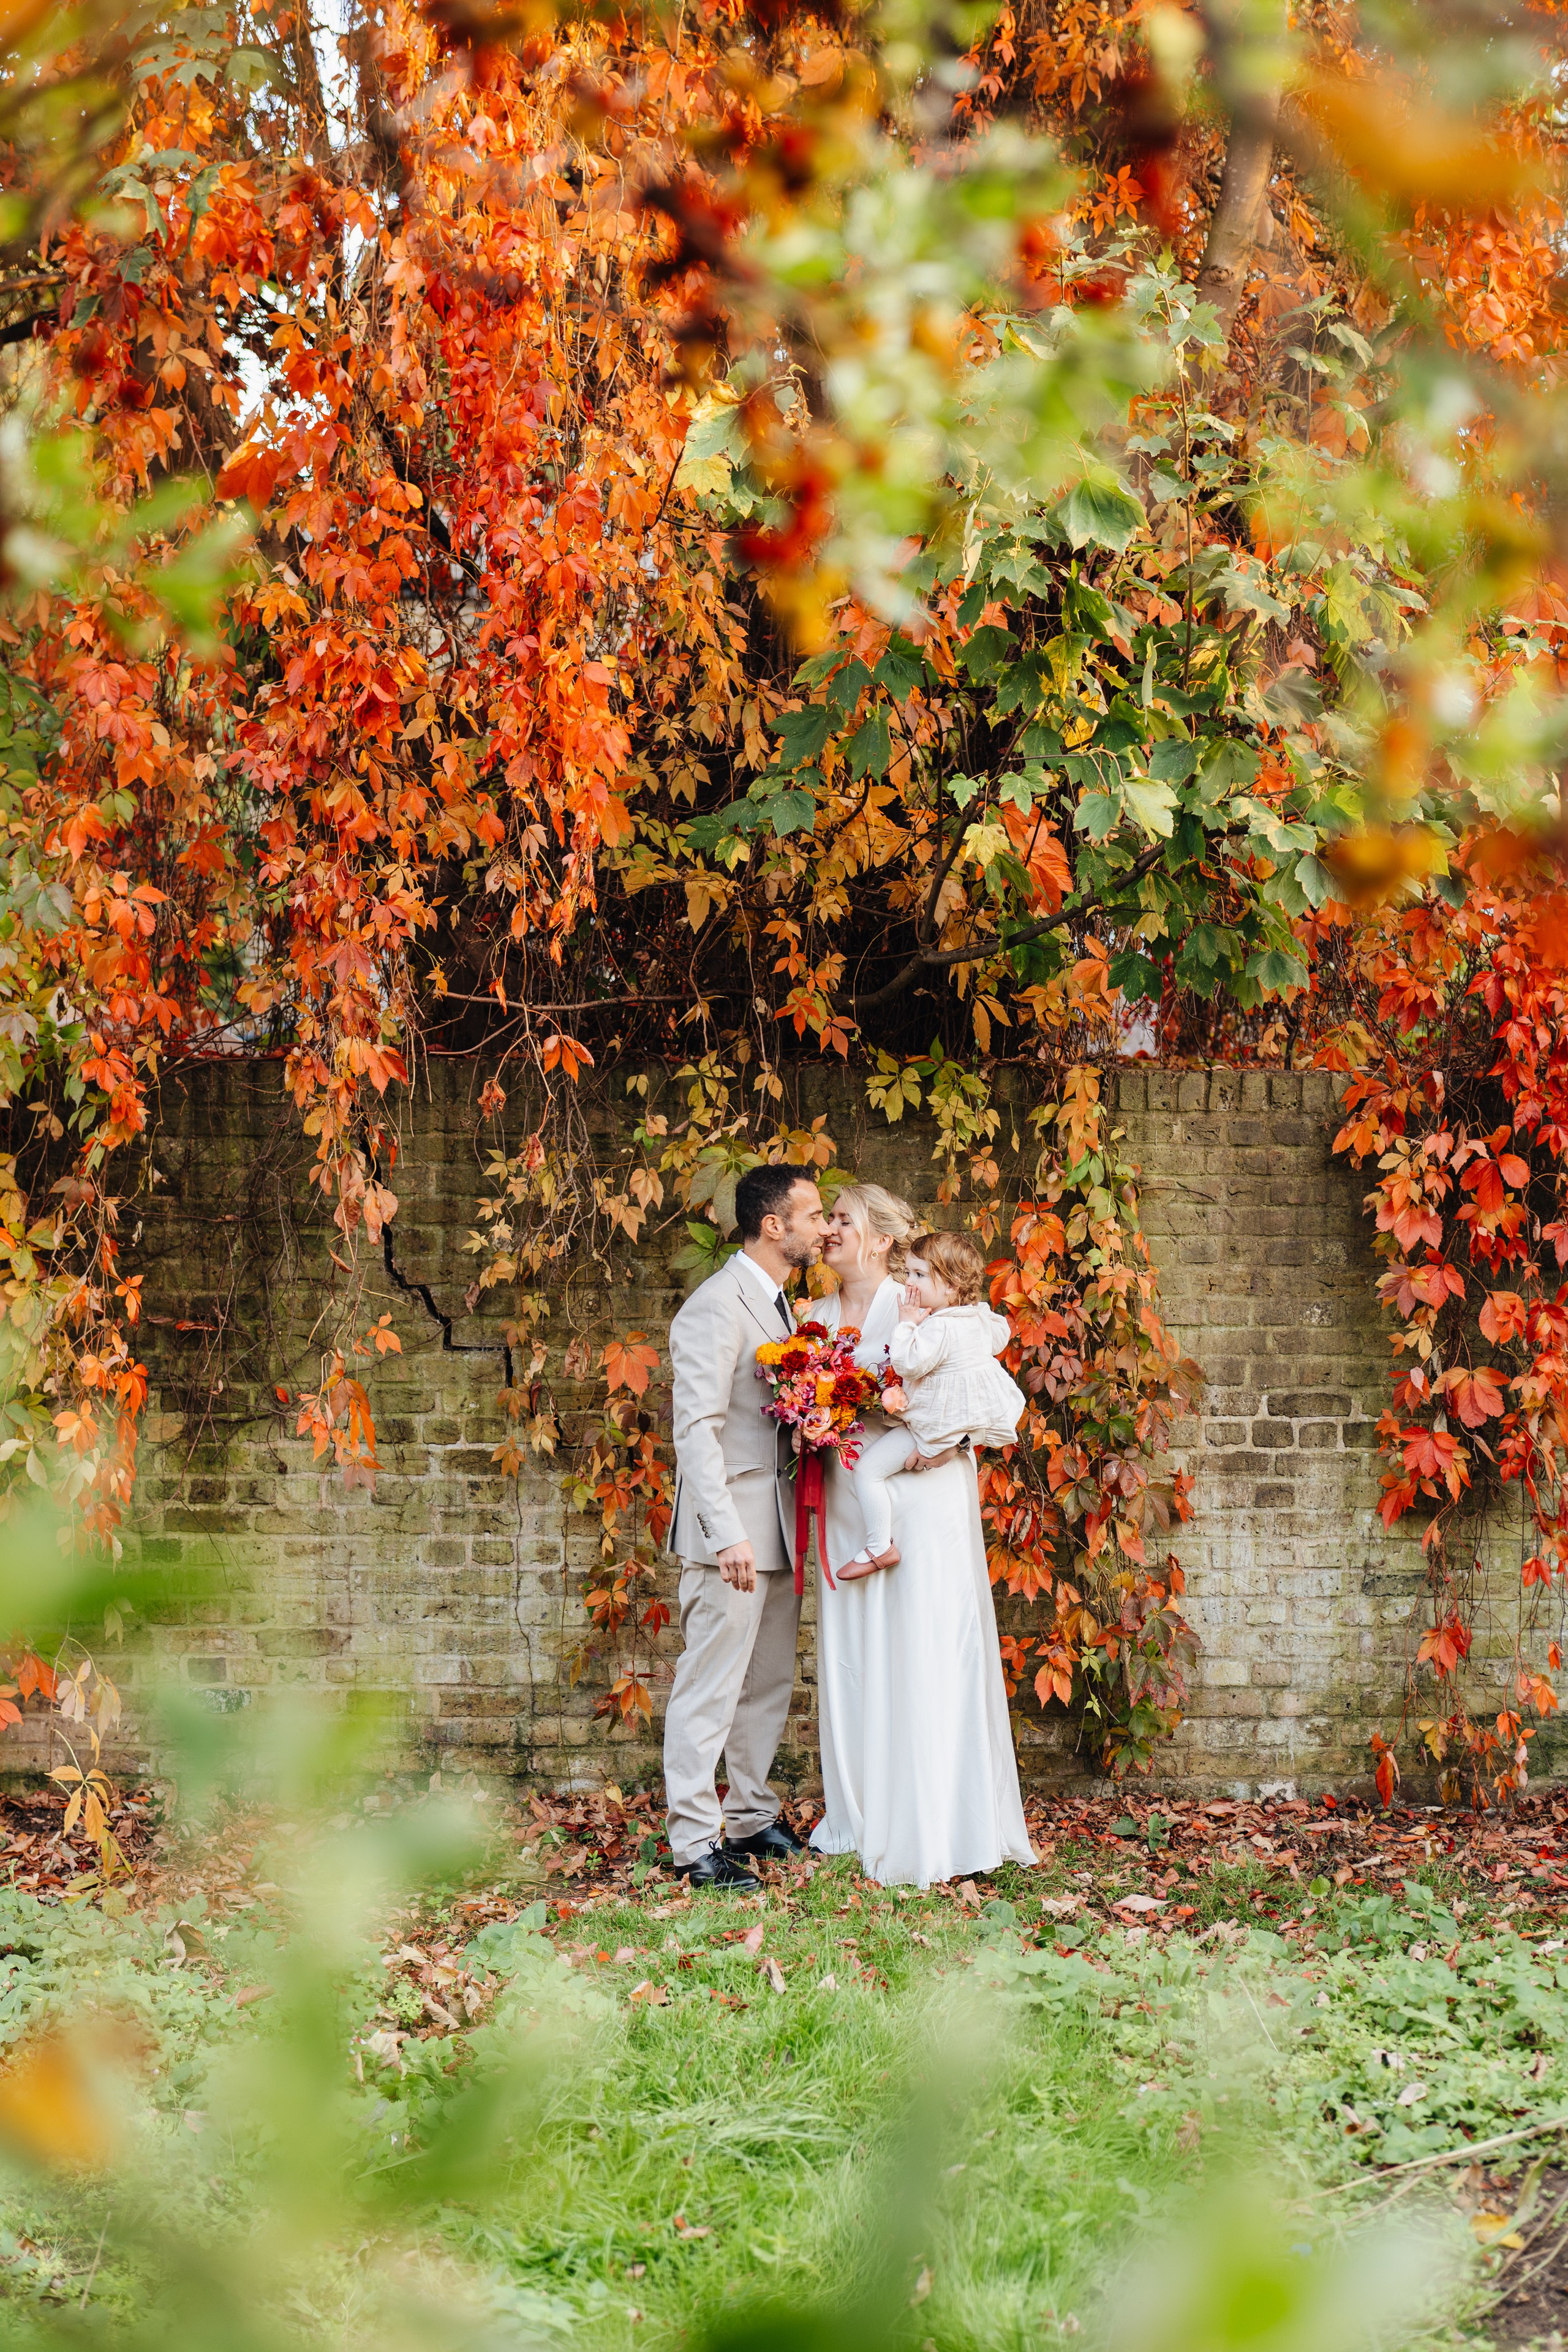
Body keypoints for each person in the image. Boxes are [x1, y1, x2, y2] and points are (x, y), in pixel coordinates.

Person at [810, 1184, 1035, 1890]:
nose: (826, 1230)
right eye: (826, 1219)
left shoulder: (921, 1305)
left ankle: (938, 1822)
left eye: (840, 1220)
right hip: (854, 1493)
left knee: (927, 1647)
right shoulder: (812, 1314)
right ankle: (861, 1813)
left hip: (926, 1491)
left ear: (880, 1239)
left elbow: (976, 1381)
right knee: (858, 1653)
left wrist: (955, 1436)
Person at [662, 1162, 829, 1891]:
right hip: (729, 1536)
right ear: (774, 1226)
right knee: (710, 1687)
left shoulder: (780, 1305)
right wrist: (725, 1532)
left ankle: (751, 1816)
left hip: (780, 1529)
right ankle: (695, 1842)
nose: (825, 1228)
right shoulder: (715, 1306)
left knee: (765, 1685)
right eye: (814, 1215)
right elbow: (694, 1430)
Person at [840, 1228, 1025, 1578]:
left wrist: (907, 1326)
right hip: (960, 1426)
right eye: (908, 1272)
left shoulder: (938, 1328)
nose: (909, 1283)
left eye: (920, 1275)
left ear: (952, 1286)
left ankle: (879, 1547)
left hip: (932, 1428)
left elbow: (907, 1364)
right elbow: (1000, 1337)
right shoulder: (978, 1318)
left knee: (867, 1471)